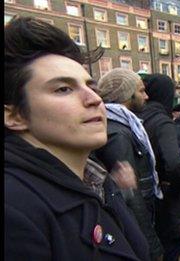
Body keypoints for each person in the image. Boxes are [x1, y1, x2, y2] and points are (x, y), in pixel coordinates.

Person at [5, 17, 150, 260]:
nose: (94, 99)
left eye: (91, 86)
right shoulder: (14, 210)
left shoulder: (98, 182)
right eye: (63, 89)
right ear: (14, 116)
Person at [93, 68, 164, 260]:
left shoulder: (124, 126)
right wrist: (153, 247)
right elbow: (131, 197)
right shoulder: (118, 135)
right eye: (141, 91)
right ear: (127, 95)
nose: (146, 96)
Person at [137, 73, 180, 261]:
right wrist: (177, 189)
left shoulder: (138, 119)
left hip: (148, 205)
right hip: (170, 208)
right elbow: (175, 163)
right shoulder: (162, 122)